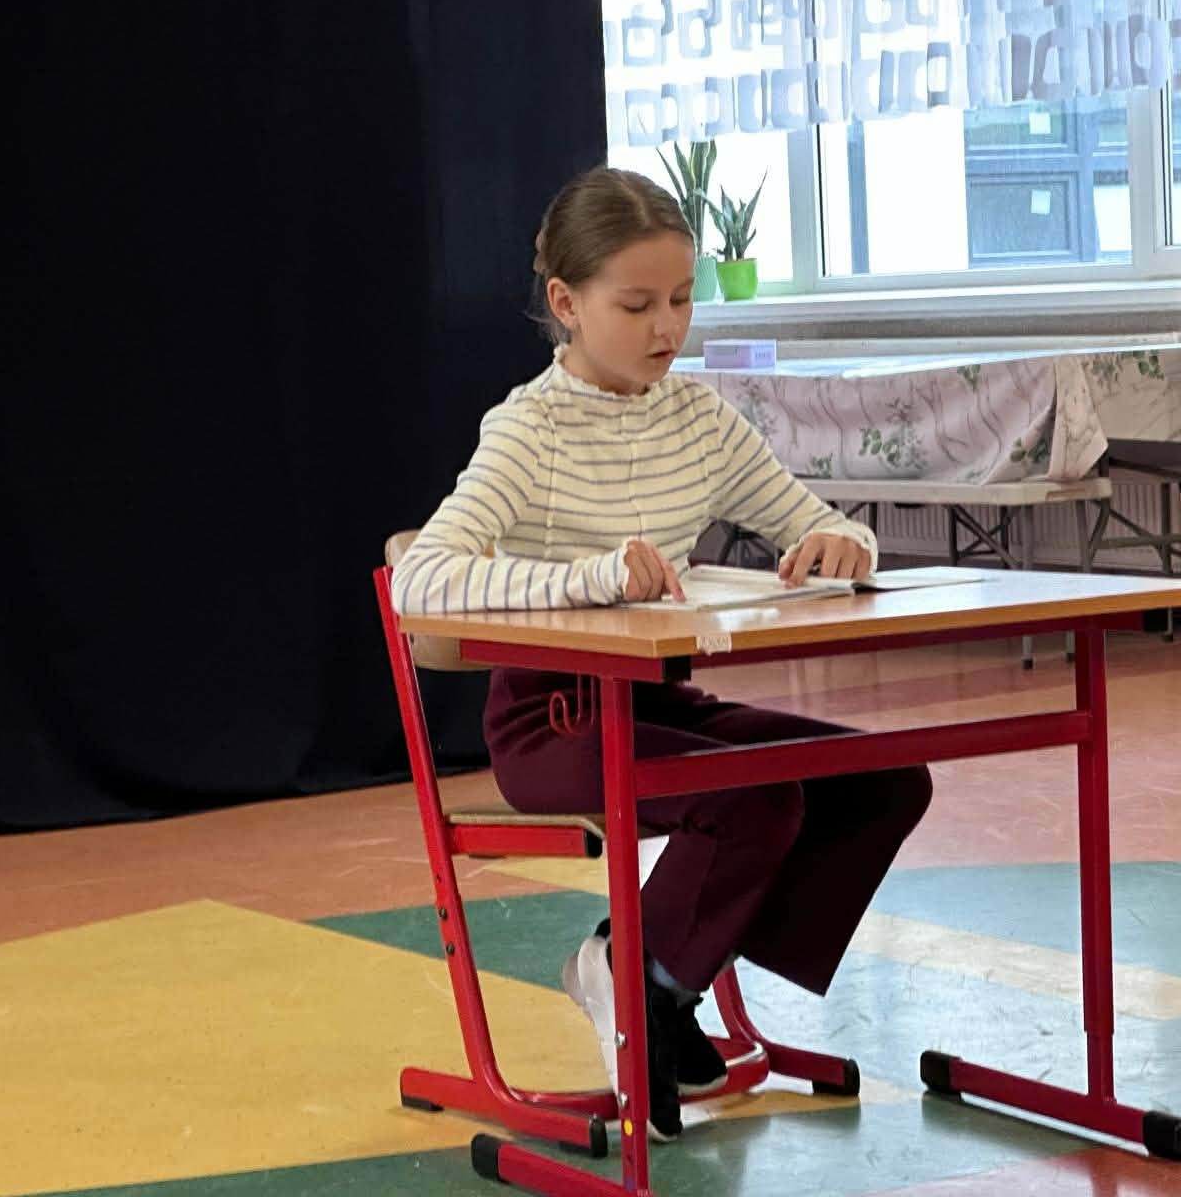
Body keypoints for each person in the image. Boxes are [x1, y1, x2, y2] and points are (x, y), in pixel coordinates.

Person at [393, 167, 932, 1141]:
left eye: (681, 300)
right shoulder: (529, 429)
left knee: (879, 779)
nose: (667, 328)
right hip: (552, 721)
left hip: (661, 702)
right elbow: (420, 580)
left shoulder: (698, 418)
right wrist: (587, 577)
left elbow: (815, 518)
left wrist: (844, 543)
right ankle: (651, 982)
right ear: (567, 304)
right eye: (636, 305)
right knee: (757, 799)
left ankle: (654, 978)